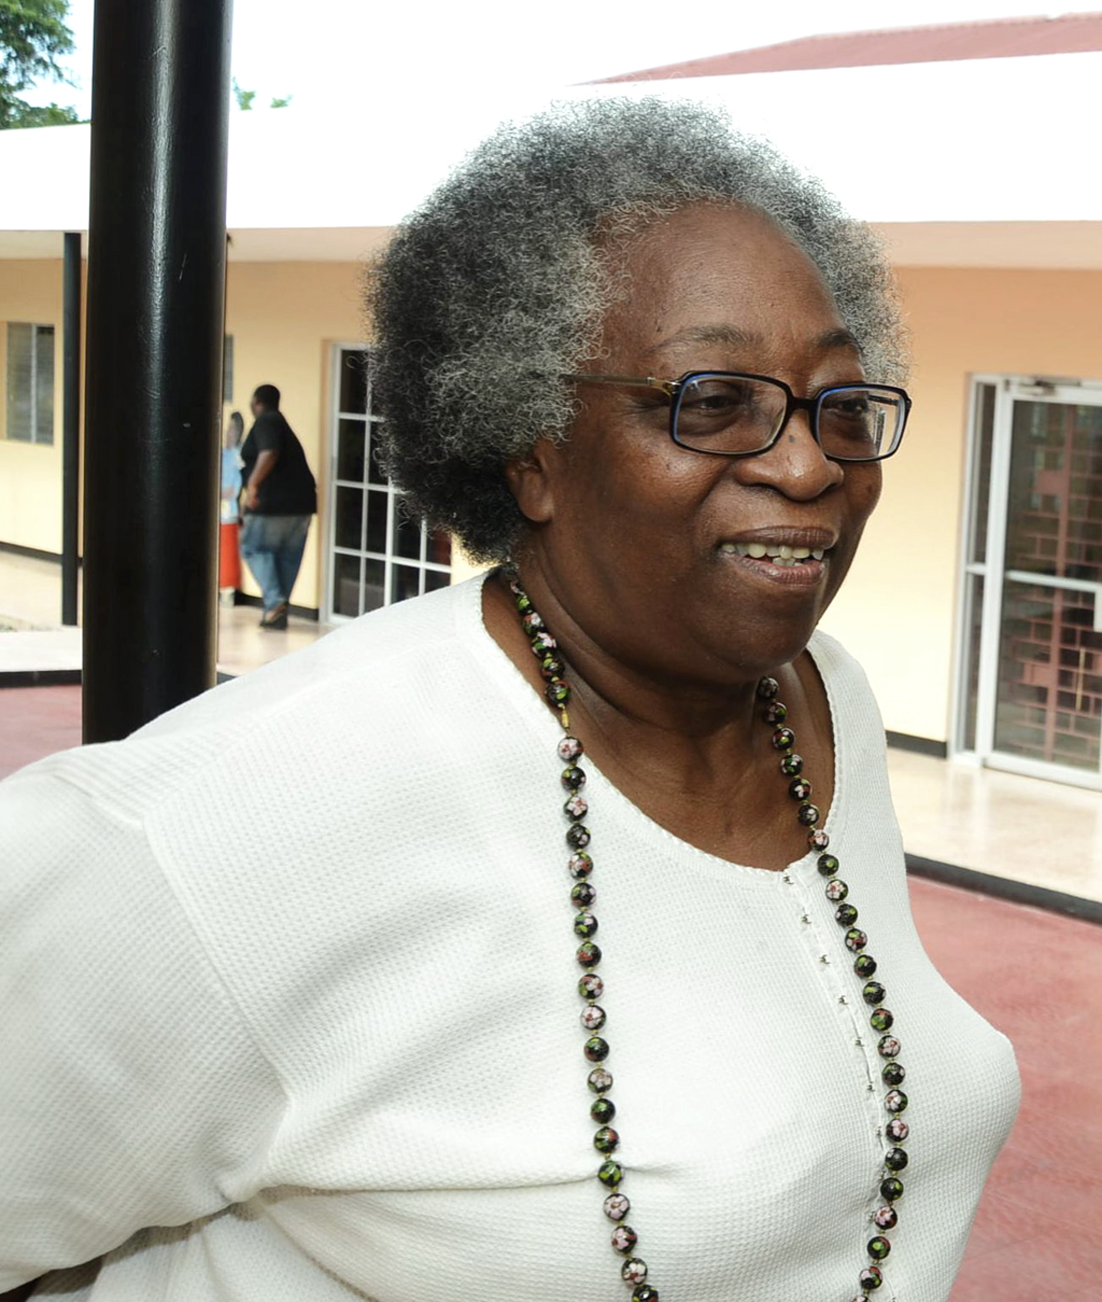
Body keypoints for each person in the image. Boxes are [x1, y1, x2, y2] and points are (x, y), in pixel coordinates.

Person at [0, 99, 1019, 1302]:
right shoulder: (228, 826)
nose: (807, 465)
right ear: (532, 447)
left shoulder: (828, 703)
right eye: (711, 402)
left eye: (838, 406)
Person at [238, 383, 317, 629]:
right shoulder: (281, 423)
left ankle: (274, 603)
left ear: (256, 402)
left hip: (272, 502)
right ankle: (276, 611)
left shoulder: (267, 421)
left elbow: (269, 452)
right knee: (287, 556)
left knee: (253, 548)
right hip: (301, 503)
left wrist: (252, 486)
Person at [218, 410, 244, 605]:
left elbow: (233, 489)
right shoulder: (222, 454)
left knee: (227, 552)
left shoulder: (237, 456)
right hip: (217, 511)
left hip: (228, 511)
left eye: (232, 430)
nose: (228, 433)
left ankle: (227, 591)